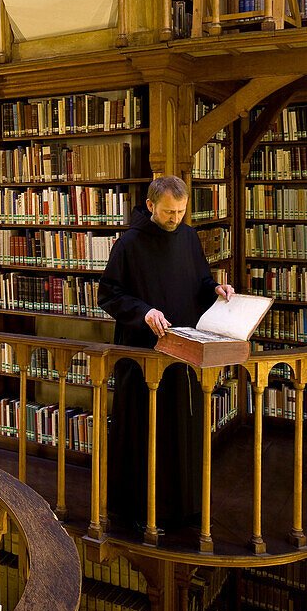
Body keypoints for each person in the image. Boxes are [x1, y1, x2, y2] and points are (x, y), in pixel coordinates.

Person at [97, 176, 235, 530]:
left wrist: (216, 289)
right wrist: (144, 311)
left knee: (181, 434)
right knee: (144, 435)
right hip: (143, 358)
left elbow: (199, 282)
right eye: (169, 212)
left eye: (181, 211)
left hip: (183, 356)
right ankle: (136, 511)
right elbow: (109, 294)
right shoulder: (128, 244)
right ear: (150, 207)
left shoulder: (188, 238)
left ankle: (184, 506)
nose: (176, 219)